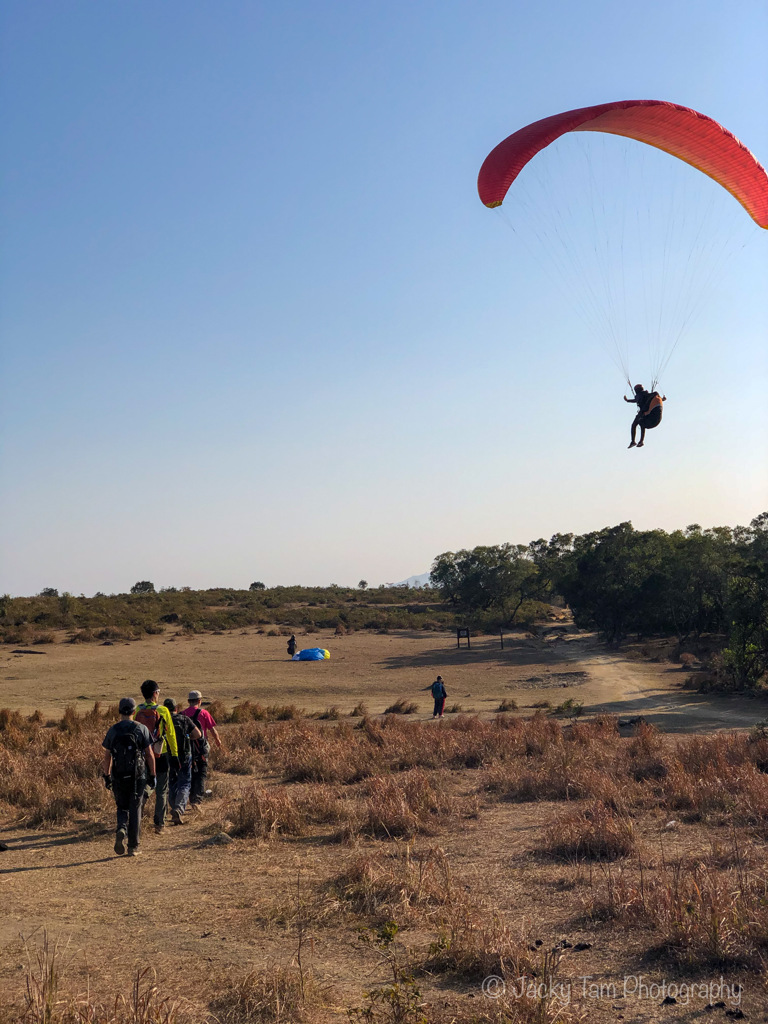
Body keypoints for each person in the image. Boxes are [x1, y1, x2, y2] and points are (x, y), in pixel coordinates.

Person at [102, 697, 156, 857]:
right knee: (135, 808)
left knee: (121, 806)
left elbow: (107, 756)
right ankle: (133, 846)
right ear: (134, 711)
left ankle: (121, 828)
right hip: (137, 776)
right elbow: (149, 754)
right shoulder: (141, 729)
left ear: (119, 711)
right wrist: (152, 775)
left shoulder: (113, 730)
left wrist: (107, 775)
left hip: (119, 775)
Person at [135, 680, 179, 834]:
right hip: (161, 753)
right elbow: (171, 734)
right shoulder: (163, 710)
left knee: (143, 787)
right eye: (158, 692)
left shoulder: (138, 709)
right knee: (162, 789)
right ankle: (159, 824)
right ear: (154, 693)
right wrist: (175, 755)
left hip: (143, 754)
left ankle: (137, 819)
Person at [182, 690, 222, 809]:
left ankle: (189, 797)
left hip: (187, 748)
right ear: (199, 701)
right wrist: (218, 741)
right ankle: (197, 800)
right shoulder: (204, 713)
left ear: (188, 701)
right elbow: (212, 730)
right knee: (201, 774)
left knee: (189, 774)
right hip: (201, 748)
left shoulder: (183, 714)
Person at [163, 698, 201, 826]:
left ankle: (174, 807)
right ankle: (179, 809)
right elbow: (198, 734)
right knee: (184, 784)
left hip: (168, 755)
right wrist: (189, 737)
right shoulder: (184, 719)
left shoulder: (163, 721)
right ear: (176, 709)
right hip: (185, 755)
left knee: (171, 782)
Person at [624, 384, 665, 448]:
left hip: (648, 416)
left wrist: (627, 400)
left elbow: (637, 399)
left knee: (635, 424)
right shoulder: (647, 394)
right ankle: (641, 441)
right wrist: (662, 399)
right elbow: (652, 397)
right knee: (641, 422)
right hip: (655, 418)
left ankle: (633, 441)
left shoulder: (639, 396)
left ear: (636, 391)